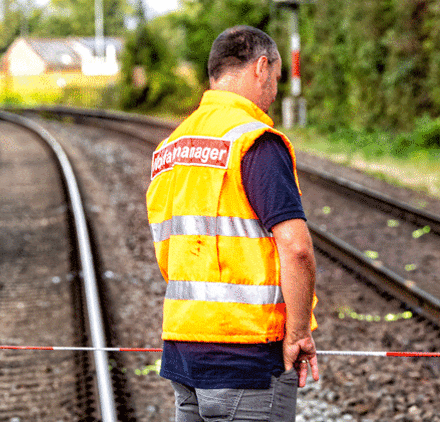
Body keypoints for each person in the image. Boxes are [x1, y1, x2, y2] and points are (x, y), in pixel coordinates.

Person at [146, 25, 319, 422]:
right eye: (275, 79)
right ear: (261, 67)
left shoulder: (171, 146)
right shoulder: (253, 141)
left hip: (183, 348)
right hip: (247, 355)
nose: (274, 94)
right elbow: (296, 248)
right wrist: (297, 334)